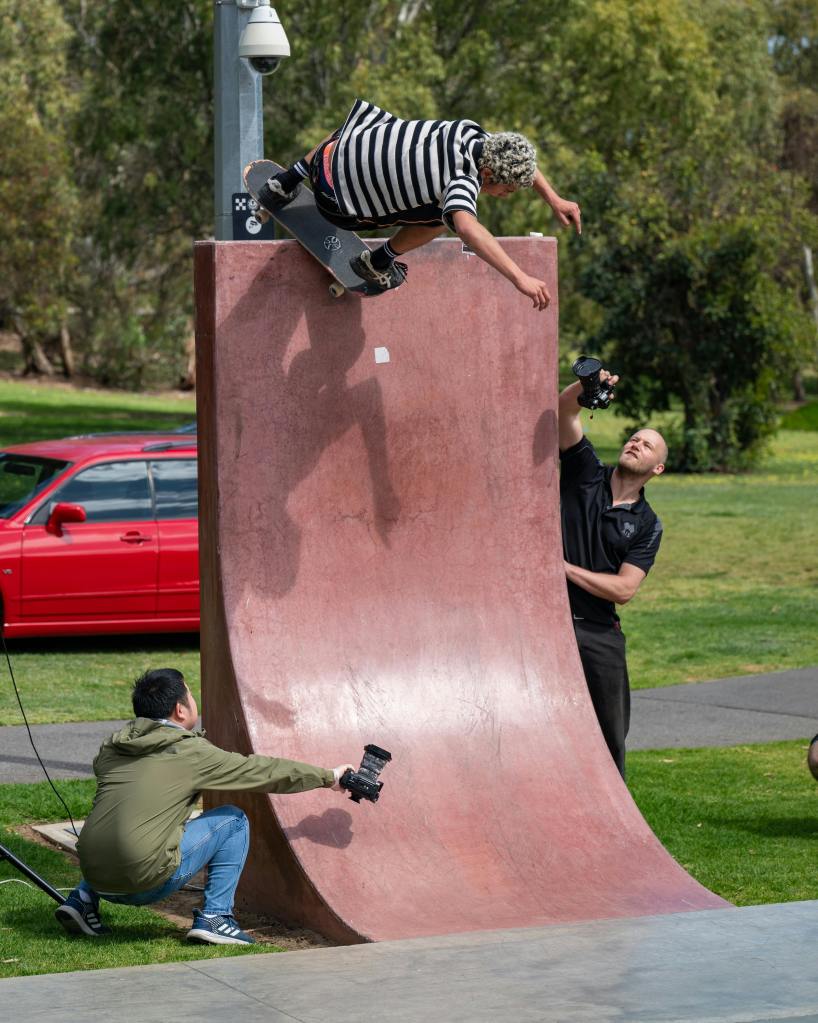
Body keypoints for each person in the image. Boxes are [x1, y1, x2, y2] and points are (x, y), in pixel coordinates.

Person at [55, 668, 354, 945]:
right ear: (180, 709)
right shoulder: (190, 752)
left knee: (124, 814)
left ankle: (82, 899)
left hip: (94, 873)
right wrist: (329, 777)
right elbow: (263, 771)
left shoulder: (112, 748)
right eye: (191, 694)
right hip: (142, 883)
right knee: (233, 821)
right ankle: (215, 917)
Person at [256, 98, 581, 305]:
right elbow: (469, 230)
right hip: (336, 206)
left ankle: (287, 180)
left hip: (326, 156)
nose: (504, 197)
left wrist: (553, 199)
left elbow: (517, 155)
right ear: (487, 173)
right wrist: (519, 277)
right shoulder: (462, 180)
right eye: (506, 190)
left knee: (367, 126)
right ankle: (377, 263)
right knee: (445, 217)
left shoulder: (474, 133)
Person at [558, 368, 668, 776]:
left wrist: (562, 569)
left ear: (657, 469)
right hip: (547, 620)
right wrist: (587, 386)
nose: (637, 444)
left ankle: (615, 818)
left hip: (598, 631)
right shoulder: (585, 472)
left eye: (648, 445)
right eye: (634, 438)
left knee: (610, 733)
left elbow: (624, 589)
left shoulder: (647, 524)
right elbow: (563, 413)